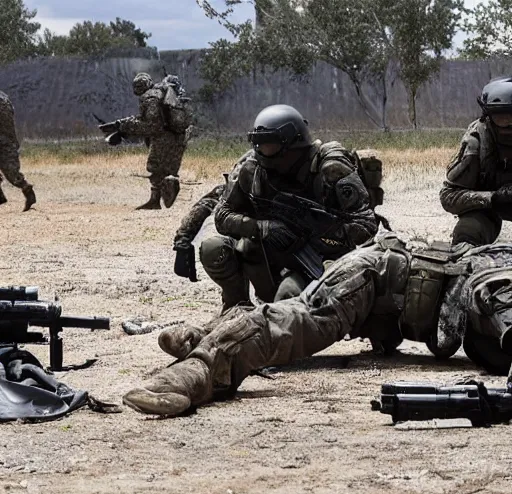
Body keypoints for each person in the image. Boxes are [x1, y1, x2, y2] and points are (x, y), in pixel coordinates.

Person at [123, 232, 512, 417]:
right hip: (373, 279)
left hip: (381, 292)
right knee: (297, 323)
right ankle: (191, 374)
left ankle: (200, 335)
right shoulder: (503, 277)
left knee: (293, 312)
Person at [198, 104, 381, 310]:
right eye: (258, 144)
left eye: (269, 145)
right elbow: (222, 216)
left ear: (292, 143)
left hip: (318, 259)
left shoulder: (330, 167)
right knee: (215, 249)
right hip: (269, 250)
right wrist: (259, 227)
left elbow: (366, 225)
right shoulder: (251, 168)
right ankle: (236, 306)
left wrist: (323, 234)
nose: (261, 151)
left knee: (286, 303)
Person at [99, 73, 192, 210]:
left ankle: (158, 197)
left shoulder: (150, 98)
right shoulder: (165, 93)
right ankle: (161, 195)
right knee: (169, 169)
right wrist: (121, 126)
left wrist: (122, 127)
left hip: (164, 137)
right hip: (180, 136)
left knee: (155, 168)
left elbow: (151, 125)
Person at [440, 76, 512, 246]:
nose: (510, 124)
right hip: (489, 208)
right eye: (502, 117)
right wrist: (492, 198)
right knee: (467, 234)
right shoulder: (477, 141)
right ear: (488, 116)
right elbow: (449, 196)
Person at [0, 91, 36, 212]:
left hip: (5, 142)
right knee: (11, 171)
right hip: (7, 141)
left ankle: (27, 191)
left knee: (12, 173)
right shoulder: (4, 98)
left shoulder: (2, 101)